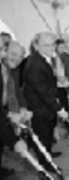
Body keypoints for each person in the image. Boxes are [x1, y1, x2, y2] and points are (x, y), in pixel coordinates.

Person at [23, 32, 69, 166]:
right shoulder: (34, 65)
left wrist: (58, 79)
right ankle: (45, 166)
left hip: (46, 106)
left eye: (52, 44)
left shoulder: (46, 57)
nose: (51, 48)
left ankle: (47, 154)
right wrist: (60, 110)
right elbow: (44, 93)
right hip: (38, 108)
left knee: (47, 135)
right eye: (45, 45)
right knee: (42, 137)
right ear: (36, 46)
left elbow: (47, 80)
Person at [0, 40, 30, 178]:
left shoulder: (13, 71)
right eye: (13, 54)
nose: (17, 59)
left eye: (20, 56)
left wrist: (22, 108)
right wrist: (10, 114)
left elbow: (17, 91)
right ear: (4, 52)